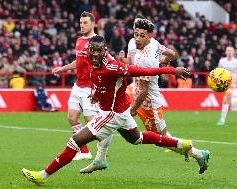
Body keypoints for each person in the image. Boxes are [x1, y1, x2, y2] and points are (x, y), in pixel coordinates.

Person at [22, 35, 193, 186]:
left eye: (98, 51)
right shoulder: (92, 62)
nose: (94, 54)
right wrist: (96, 95)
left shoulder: (113, 66)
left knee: (75, 141)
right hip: (120, 111)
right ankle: (182, 144)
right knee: (137, 138)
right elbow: (101, 83)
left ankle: (42, 175)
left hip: (111, 114)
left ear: (104, 51)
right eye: (92, 50)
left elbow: (145, 70)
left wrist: (172, 70)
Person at [81, 17, 210, 175]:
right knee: (109, 114)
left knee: (162, 140)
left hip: (148, 101)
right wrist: (162, 59)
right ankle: (100, 159)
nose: (138, 38)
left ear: (149, 36)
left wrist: (133, 110)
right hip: (133, 89)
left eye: (142, 35)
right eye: (136, 34)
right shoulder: (137, 43)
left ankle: (198, 154)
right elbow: (171, 54)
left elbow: (144, 90)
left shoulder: (147, 58)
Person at [52, 11, 112, 160]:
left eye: (85, 22)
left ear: (92, 24)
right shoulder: (79, 40)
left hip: (90, 88)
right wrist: (63, 68)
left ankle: (102, 150)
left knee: (92, 124)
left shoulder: (97, 42)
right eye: (80, 23)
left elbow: (107, 62)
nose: (82, 25)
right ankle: (84, 151)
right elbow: (78, 61)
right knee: (72, 117)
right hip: (78, 85)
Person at [217, 46, 237, 126]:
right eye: (228, 50)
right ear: (226, 52)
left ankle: (222, 119)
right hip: (224, 83)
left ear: (233, 52)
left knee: (225, 98)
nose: (229, 52)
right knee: (227, 100)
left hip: (232, 84)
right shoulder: (222, 61)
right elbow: (218, 71)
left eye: (231, 51)